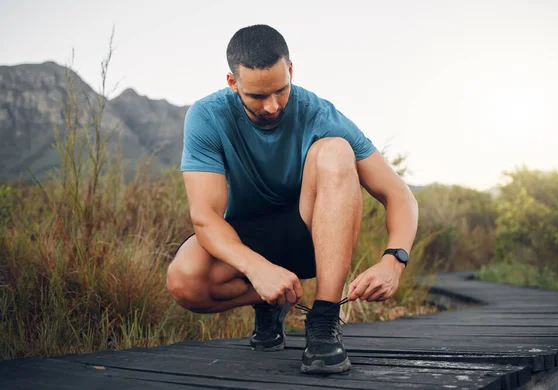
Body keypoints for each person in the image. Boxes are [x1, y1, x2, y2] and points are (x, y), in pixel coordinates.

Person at [166, 24, 419, 374]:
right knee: (184, 280)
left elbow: (399, 194)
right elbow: (205, 217)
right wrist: (258, 270)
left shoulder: (320, 113)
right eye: (257, 97)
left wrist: (394, 260)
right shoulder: (207, 116)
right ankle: (270, 302)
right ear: (232, 82)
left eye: (280, 91)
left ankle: (324, 321)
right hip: (245, 238)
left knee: (335, 150)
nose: (272, 106)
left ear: (291, 70)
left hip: (312, 235)